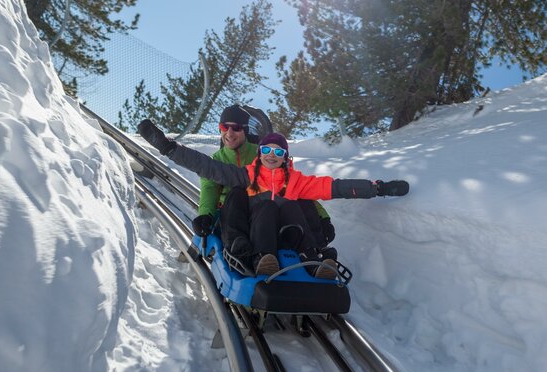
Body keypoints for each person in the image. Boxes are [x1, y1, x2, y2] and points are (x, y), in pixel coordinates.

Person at [138, 119, 409, 278]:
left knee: (292, 205)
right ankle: (262, 259)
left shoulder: (296, 181)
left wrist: (376, 187)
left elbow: (335, 187)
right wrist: (169, 147)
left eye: (278, 152)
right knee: (266, 205)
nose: (271, 155)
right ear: (260, 153)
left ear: (285, 158)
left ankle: (313, 259)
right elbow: (209, 168)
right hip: (258, 234)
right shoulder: (246, 176)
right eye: (266, 149)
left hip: (286, 232)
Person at [191, 105, 338, 255]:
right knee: (236, 193)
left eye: (236, 127)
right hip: (233, 214)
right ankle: (237, 246)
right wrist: (205, 214)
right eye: (224, 126)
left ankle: (315, 250)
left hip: (265, 211)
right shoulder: (217, 160)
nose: (229, 132)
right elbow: (209, 188)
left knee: (297, 201)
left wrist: (323, 216)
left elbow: (295, 185)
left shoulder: (264, 154)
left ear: (245, 130)